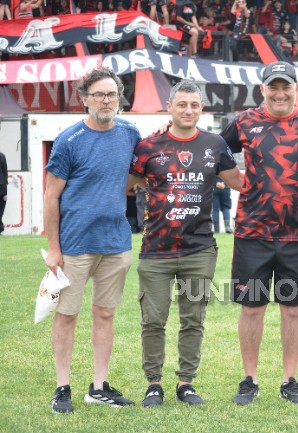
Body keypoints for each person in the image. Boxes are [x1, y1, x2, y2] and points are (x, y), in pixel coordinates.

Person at [220, 61, 298, 406]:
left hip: (297, 235)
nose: (280, 93)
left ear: (296, 89)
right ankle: (249, 379)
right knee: (252, 308)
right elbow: (213, 150)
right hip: (252, 234)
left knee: (293, 309)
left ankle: (289, 380)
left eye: (286, 86)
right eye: (274, 86)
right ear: (263, 89)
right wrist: (237, 182)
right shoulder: (244, 123)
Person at [128, 80, 243, 408]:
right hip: (156, 251)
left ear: (201, 109)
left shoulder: (215, 144)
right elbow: (128, 184)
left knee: (193, 319)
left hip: (199, 250)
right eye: (182, 105)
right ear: (170, 107)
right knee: (153, 319)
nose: (188, 110)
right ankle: (153, 384)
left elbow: (240, 183)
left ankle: (185, 383)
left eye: (194, 105)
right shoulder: (149, 146)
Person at [44, 65, 141, 414]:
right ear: (84, 99)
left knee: (105, 314)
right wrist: (54, 248)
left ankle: (99, 387)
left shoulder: (130, 132)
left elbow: (138, 174)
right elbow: (50, 196)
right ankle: (62, 387)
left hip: (116, 243)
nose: (106, 100)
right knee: (67, 315)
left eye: (111, 93)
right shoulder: (69, 140)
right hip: (75, 244)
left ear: (119, 97)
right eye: (98, 94)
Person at [0, 151, 7, 235]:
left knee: (1, 210)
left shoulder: (2, 156)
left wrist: (5, 192)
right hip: (2, 186)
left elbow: (5, 173)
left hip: (1, 187)